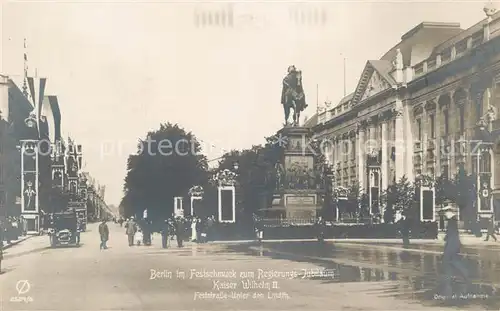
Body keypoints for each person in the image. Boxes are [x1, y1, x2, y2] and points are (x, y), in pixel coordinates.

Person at [441, 208, 471, 297]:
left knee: (452, 261)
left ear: (450, 212)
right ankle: (450, 278)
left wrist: (447, 240)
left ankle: (463, 275)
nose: (445, 214)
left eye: (446, 213)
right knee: (451, 261)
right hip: (452, 243)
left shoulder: (452, 221)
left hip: (452, 244)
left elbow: (452, 233)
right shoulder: (452, 220)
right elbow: (453, 233)